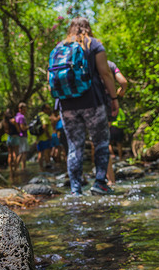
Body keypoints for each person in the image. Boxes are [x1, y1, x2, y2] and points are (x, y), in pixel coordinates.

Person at [50, 17, 119, 196]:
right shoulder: (94, 44)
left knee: (74, 147)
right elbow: (105, 73)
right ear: (88, 28)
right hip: (92, 103)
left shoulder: (59, 47)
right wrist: (113, 98)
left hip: (66, 106)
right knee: (101, 142)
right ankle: (100, 184)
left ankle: (75, 190)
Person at [3, 108, 20, 177]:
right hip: (15, 137)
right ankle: (16, 169)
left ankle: (10, 170)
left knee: (10, 154)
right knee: (15, 154)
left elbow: (6, 131)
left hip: (9, 138)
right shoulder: (14, 120)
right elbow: (19, 130)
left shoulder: (5, 122)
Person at [36, 103, 53, 171]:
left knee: (40, 153)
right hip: (45, 137)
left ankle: (41, 168)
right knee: (46, 152)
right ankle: (48, 166)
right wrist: (48, 136)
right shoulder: (45, 116)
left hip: (39, 138)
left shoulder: (37, 115)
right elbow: (44, 126)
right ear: (44, 109)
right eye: (48, 109)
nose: (49, 110)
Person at [15, 102, 29, 170]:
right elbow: (22, 127)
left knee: (20, 152)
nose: (25, 111)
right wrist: (29, 127)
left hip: (18, 137)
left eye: (25, 109)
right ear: (20, 109)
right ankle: (23, 168)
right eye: (24, 109)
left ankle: (16, 168)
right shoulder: (21, 117)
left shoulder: (17, 116)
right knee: (23, 153)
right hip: (22, 136)